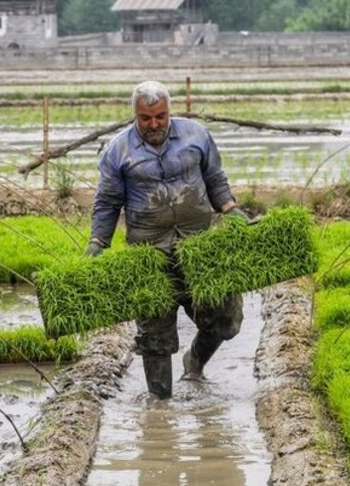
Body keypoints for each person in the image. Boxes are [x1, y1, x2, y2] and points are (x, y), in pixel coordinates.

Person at [87, 80, 246, 399]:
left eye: (160, 116)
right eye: (146, 118)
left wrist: (229, 207)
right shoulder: (118, 150)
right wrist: (97, 243)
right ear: (135, 114)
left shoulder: (195, 135)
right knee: (154, 335)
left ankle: (195, 361)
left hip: (198, 246)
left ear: (169, 111)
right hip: (149, 254)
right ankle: (160, 408)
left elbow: (214, 178)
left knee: (225, 317)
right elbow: (107, 202)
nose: (154, 124)